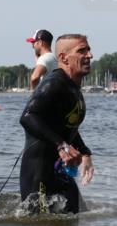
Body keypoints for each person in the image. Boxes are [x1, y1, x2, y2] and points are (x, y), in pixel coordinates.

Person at [19, 34, 95, 213]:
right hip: (39, 172)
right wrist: (61, 145)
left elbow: (66, 126)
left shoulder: (72, 86)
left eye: (89, 50)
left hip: (59, 169)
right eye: (82, 51)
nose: (90, 55)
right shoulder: (54, 84)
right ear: (63, 58)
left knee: (78, 216)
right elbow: (28, 116)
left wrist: (85, 153)